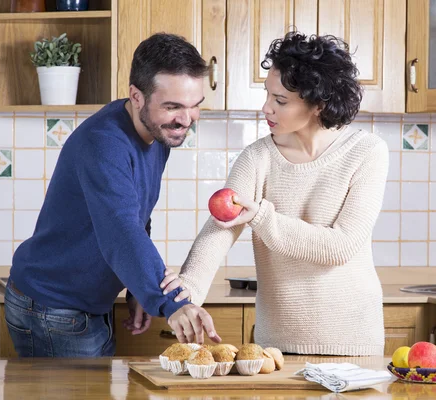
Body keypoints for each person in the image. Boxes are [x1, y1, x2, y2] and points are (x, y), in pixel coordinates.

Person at [161, 32, 388, 356]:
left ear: (318, 104)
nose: (266, 108)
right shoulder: (257, 157)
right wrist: (184, 296)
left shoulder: (367, 152)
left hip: (354, 344)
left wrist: (264, 218)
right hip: (277, 348)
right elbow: (219, 228)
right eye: (267, 94)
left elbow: (341, 245)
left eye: (280, 101)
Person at [5, 33, 221, 357]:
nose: (186, 120)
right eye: (173, 106)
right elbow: (121, 230)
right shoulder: (104, 143)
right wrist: (170, 302)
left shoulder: (158, 133)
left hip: (85, 305)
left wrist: (139, 288)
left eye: (195, 106)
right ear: (137, 96)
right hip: (53, 308)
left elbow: (136, 217)